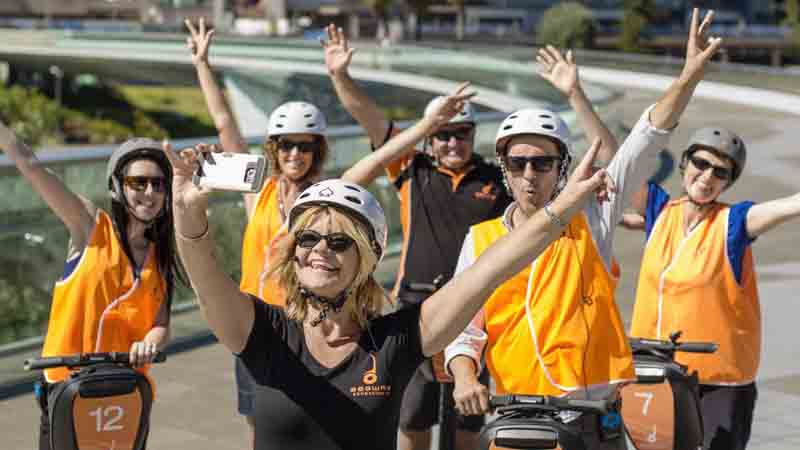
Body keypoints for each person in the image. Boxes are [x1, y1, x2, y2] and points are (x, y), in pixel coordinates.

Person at [164, 84, 616, 449]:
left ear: (366, 260)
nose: (321, 248)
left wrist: (561, 210)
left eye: (340, 241)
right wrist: (187, 215)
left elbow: (491, 269)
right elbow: (206, 279)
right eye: (308, 237)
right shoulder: (262, 332)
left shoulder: (394, 341)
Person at [323, 24, 621, 449]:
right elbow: (372, 133)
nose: (452, 142)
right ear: (431, 139)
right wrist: (341, 78)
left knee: (471, 422)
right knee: (412, 416)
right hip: (418, 305)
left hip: (481, 301)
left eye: (462, 133)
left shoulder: (500, 177)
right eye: (443, 135)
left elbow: (546, 202)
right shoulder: (414, 170)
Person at [445, 9, 723, 449]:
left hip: (589, 417)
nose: (530, 174)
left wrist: (687, 76)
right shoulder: (480, 240)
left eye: (543, 163)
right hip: (516, 417)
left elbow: (645, 140)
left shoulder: (588, 217)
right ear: (504, 169)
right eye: (518, 163)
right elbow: (464, 329)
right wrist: (464, 378)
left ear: (563, 169)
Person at [185, 18, 331, 446]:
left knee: (309, 422)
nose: (295, 154)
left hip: (308, 327)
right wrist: (202, 65)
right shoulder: (259, 192)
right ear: (274, 149)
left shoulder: (326, 197)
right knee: (258, 425)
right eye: (286, 145)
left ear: (316, 151)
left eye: (305, 146)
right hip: (257, 324)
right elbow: (224, 123)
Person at [0, 121, 183, 450]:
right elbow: (29, 163)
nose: (150, 193)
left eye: (158, 184)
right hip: (68, 388)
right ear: (118, 186)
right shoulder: (90, 226)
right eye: (138, 182)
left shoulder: (163, 254)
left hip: (126, 390)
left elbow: (161, 323)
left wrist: (151, 342)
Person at [626, 130, 800, 449]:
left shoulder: (734, 223)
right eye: (701, 163)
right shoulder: (660, 212)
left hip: (719, 384)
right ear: (684, 163)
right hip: (657, 374)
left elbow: (791, 205)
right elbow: (623, 161)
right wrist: (576, 94)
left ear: (728, 182)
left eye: (720, 172)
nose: (707, 176)